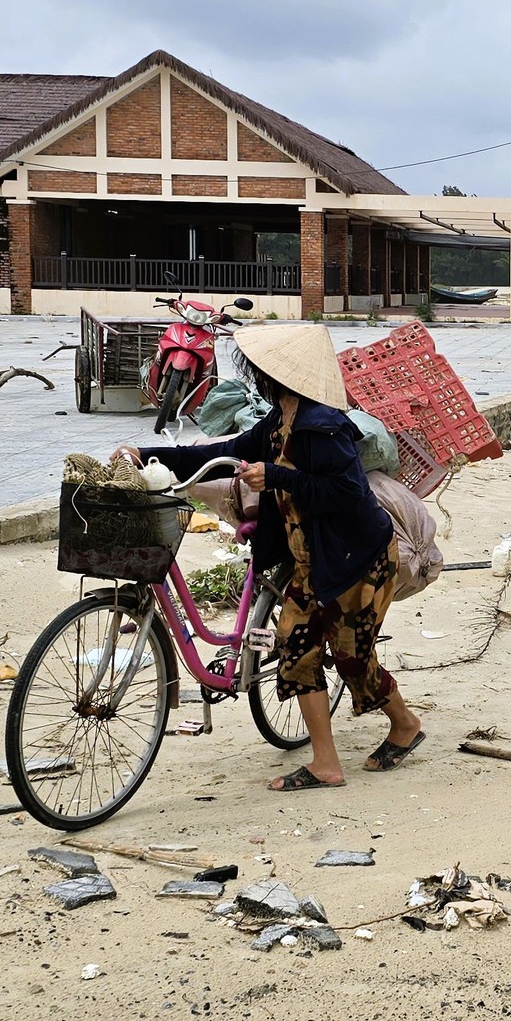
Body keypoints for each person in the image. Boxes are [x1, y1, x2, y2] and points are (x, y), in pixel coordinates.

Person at [112, 324, 423, 790]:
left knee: (353, 661)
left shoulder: (321, 426)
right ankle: (326, 764)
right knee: (296, 648)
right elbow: (228, 449)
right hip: (312, 562)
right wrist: (148, 452)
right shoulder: (282, 418)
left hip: (358, 560)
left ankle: (405, 725)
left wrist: (278, 476)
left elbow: (347, 492)